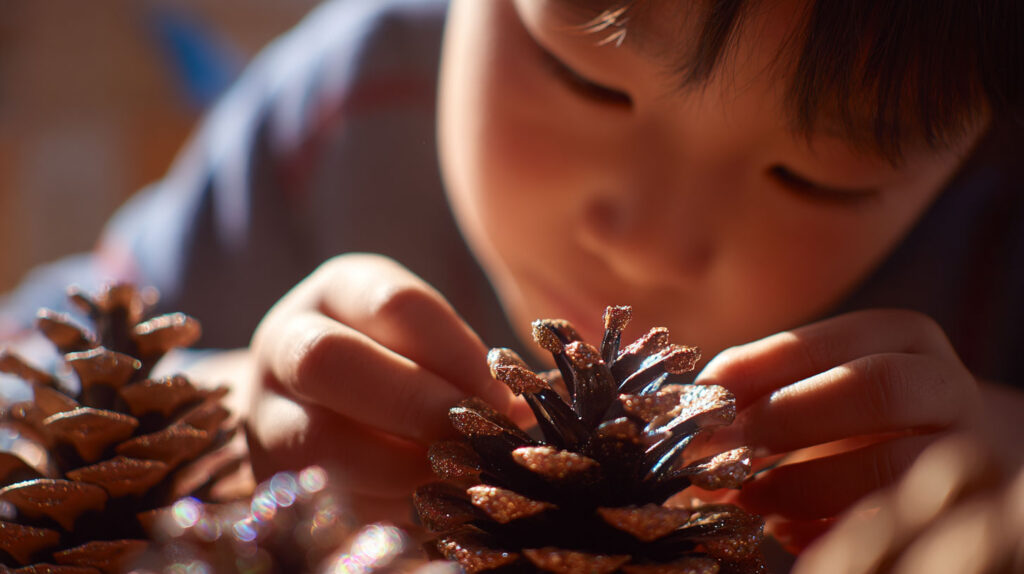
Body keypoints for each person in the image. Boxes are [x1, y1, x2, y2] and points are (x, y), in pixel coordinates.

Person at [1, 0, 1022, 554]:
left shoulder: (996, 244)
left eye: (815, 180)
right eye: (586, 78)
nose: (650, 243)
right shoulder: (347, 116)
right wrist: (215, 418)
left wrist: (1002, 474)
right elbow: (25, 377)